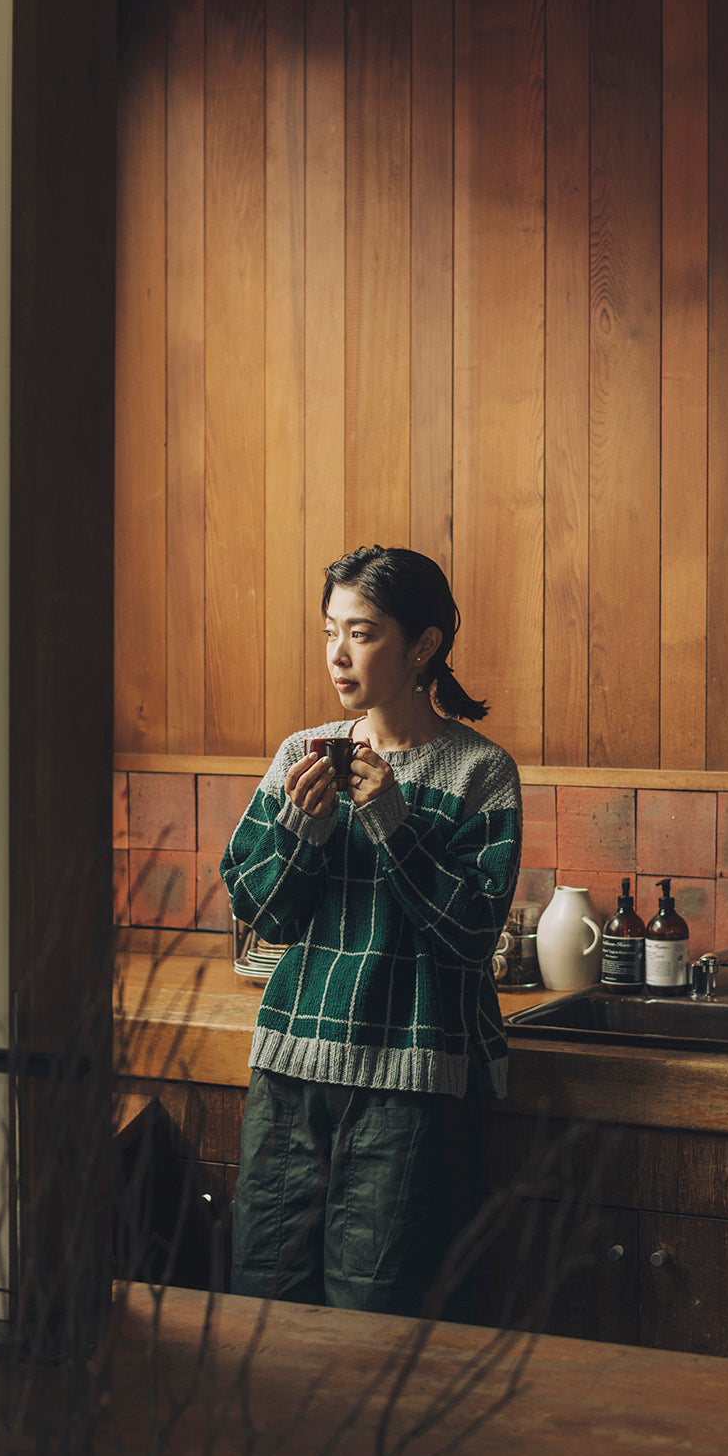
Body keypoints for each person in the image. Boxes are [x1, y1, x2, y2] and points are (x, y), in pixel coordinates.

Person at [220, 544, 522, 1318]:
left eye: (361, 633)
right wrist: (301, 828)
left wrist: (391, 819)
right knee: (263, 1297)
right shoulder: (301, 755)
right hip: (289, 1071)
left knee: (372, 1314)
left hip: (408, 1085)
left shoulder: (478, 771)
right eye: (330, 631)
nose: (337, 654)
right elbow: (262, 909)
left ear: (422, 646)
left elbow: (469, 935)